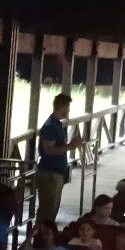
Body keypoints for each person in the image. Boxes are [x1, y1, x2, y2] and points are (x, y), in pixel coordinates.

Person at [32, 93, 85, 226]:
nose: (69, 110)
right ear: (61, 106)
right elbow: (48, 150)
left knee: (51, 209)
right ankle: (39, 237)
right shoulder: (51, 126)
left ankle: (43, 236)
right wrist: (71, 146)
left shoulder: (56, 124)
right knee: (47, 210)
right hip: (49, 173)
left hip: (55, 173)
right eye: (68, 107)